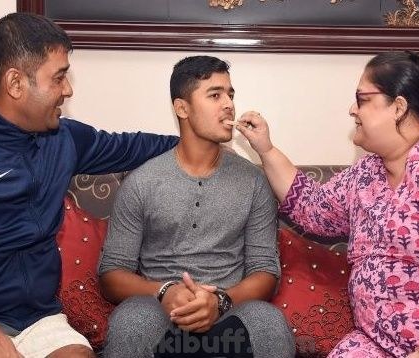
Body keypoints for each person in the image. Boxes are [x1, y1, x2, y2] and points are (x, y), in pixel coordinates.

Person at [0, 12, 178, 358]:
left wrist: (198, 141)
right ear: (16, 84)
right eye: (59, 78)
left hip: (36, 320)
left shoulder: (63, 140)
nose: (68, 89)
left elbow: (133, 146)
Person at [236, 51, 419, 357]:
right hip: (372, 344)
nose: (352, 110)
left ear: (398, 107)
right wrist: (265, 149)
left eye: (362, 99)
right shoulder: (366, 173)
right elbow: (312, 207)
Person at [98, 55, 295, 358]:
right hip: (159, 312)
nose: (228, 104)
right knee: (131, 321)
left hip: (229, 312)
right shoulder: (142, 182)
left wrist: (220, 301)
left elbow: (265, 271)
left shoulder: (254, 182)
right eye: (215, 95)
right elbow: (111, 275)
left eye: (230, 94)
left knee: (269, 324)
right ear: (182, 108)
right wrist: (164, 291)